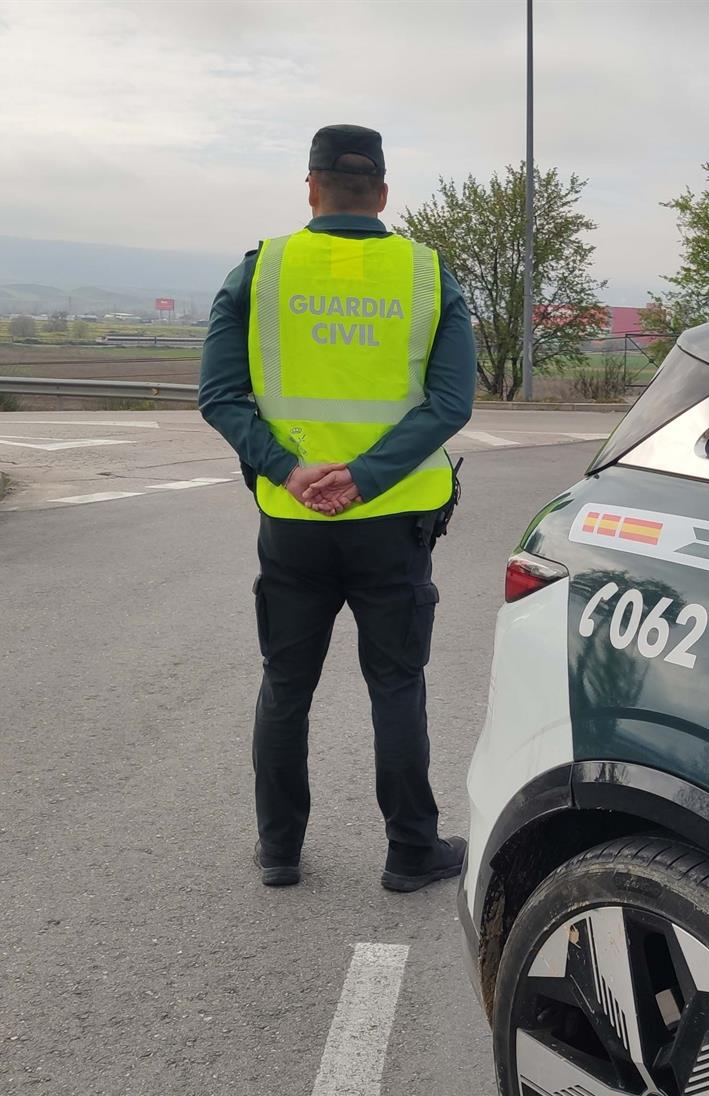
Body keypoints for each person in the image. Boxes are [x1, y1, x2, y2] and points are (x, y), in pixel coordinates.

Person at [198, 124, 475, 892]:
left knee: (286, 686)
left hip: (294, 523)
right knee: (396, 685)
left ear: (311, 186)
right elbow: (452, 401)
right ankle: (410, 851)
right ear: (382, 194)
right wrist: (368, 476)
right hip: (396, 522)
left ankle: (280, 851)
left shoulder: (259, 271)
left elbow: (218, 397)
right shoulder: (429, 274)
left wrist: (289, 470)